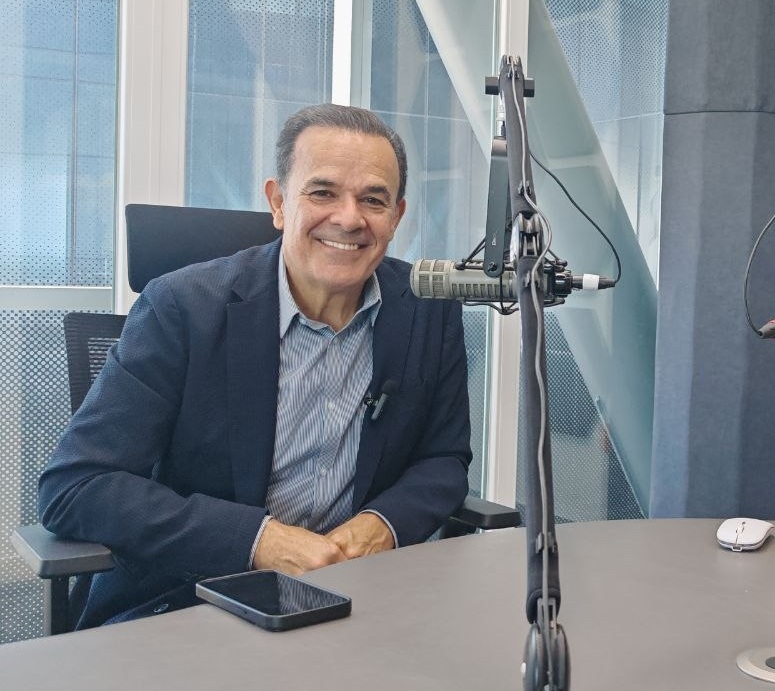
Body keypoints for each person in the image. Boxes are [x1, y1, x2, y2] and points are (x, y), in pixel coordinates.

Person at [37, 104, 471, 628]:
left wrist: (382, 525)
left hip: (357, 599)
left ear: (396, 217)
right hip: (195, 598)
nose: (350, 218)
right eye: (322, 192)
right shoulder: (181, 308)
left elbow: (444, 458)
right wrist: (259, 540)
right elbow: (77, 485)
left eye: (373, 200)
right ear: (278, 203)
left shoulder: (427, 310)